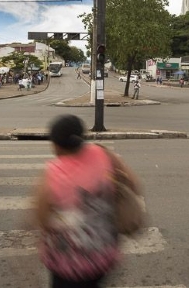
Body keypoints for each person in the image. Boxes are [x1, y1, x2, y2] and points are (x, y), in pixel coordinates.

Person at [34, 114, 139, 287]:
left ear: (56, 145)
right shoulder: (103, 153)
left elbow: (41, 218)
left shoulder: (53, 173)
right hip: (102, 258)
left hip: (67, 265)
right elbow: (134, 184)